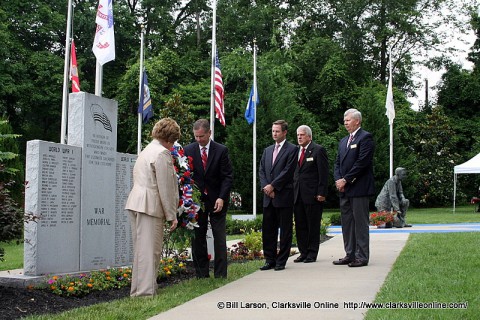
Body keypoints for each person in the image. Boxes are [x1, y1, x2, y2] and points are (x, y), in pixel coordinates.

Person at [125, 118, 180, 297]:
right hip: (150, 205)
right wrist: (172, 214)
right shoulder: (162, 153)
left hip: (136, 202)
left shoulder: (146, 150)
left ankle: (139, 289)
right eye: (174, 141)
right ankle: (145, 292)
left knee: (141, 250)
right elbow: (165, 187)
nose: (174, 145)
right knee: (150, 251)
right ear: (170, 138)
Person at [183, 119, 233, 278]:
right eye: (196, 136)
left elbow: (227, 177)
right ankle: (201, 273)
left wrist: (221, 197)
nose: (198, 140)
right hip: (196, 202)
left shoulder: (221, 150)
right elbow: (185, 176)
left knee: (219, 237)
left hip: (217, 200)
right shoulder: (188, 150)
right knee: (198, 238)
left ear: (209, 133)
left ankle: (220, 274)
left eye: (201, 136)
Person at [333, 109, 375, 268]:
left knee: (360, 224)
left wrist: (346, 179)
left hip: (358, 188)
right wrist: (338, 180)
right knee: (347, 223)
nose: (345, 122)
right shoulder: (344, 141)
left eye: (348, 120)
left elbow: (362, 163)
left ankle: (362, 256)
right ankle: (349, 254)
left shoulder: (365, 138)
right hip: (344, 189)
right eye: (344, 120)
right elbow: (337, 163)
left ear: (357, 121)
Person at [258, 120, 297, 271]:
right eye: (273, 131)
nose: (274, 134)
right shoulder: (267, 150)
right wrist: (266, 187)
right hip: (268, 197)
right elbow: (261, 170)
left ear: (285, 132)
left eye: (277, 131)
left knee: (285, 230)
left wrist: (273, 186)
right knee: (268, 230)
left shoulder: (292, 149)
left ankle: (281, 261)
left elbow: (288, 171)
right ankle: (270, 260)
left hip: (283, 196)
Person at [293, 125, 329, 263]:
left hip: (313, 195)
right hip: (297, 195)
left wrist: (322, 192)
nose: (299, 137)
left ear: (309, 136)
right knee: (300, 225)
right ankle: (303, 252)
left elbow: (323, 174)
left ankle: (312, 253)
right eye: (298, 135)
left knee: (312, 225)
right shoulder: (295, 151)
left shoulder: (318, 150)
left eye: (302, 135)